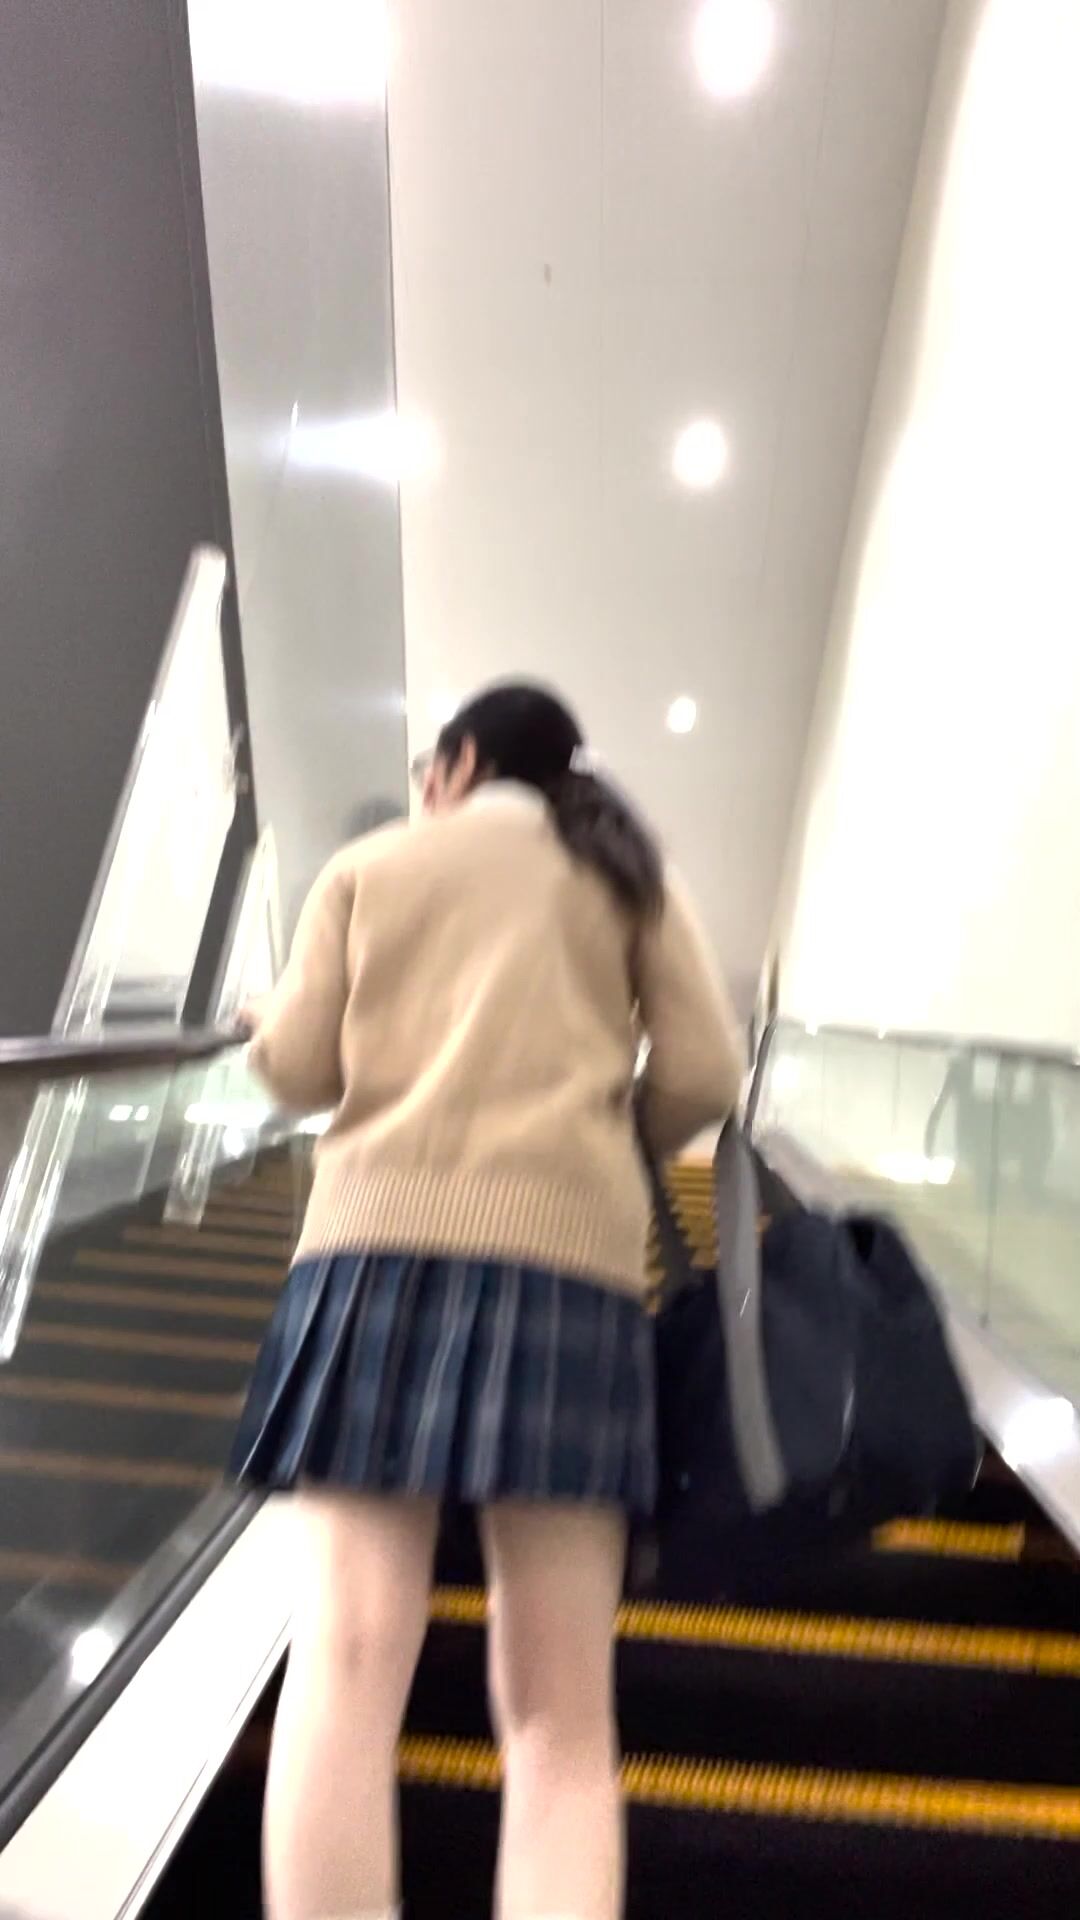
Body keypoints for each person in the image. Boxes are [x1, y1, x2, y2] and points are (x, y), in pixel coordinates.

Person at [232, 682, 744, 1920]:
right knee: (562, 1710)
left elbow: (297, 1071)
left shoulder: (370, 867)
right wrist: (605, 1143)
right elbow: (706, 1072)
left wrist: (264, 1025)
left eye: (429, 769)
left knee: (348, 1662)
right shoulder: (628, 877)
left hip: (371, 1259)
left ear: (459, 763)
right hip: (571, 1284)